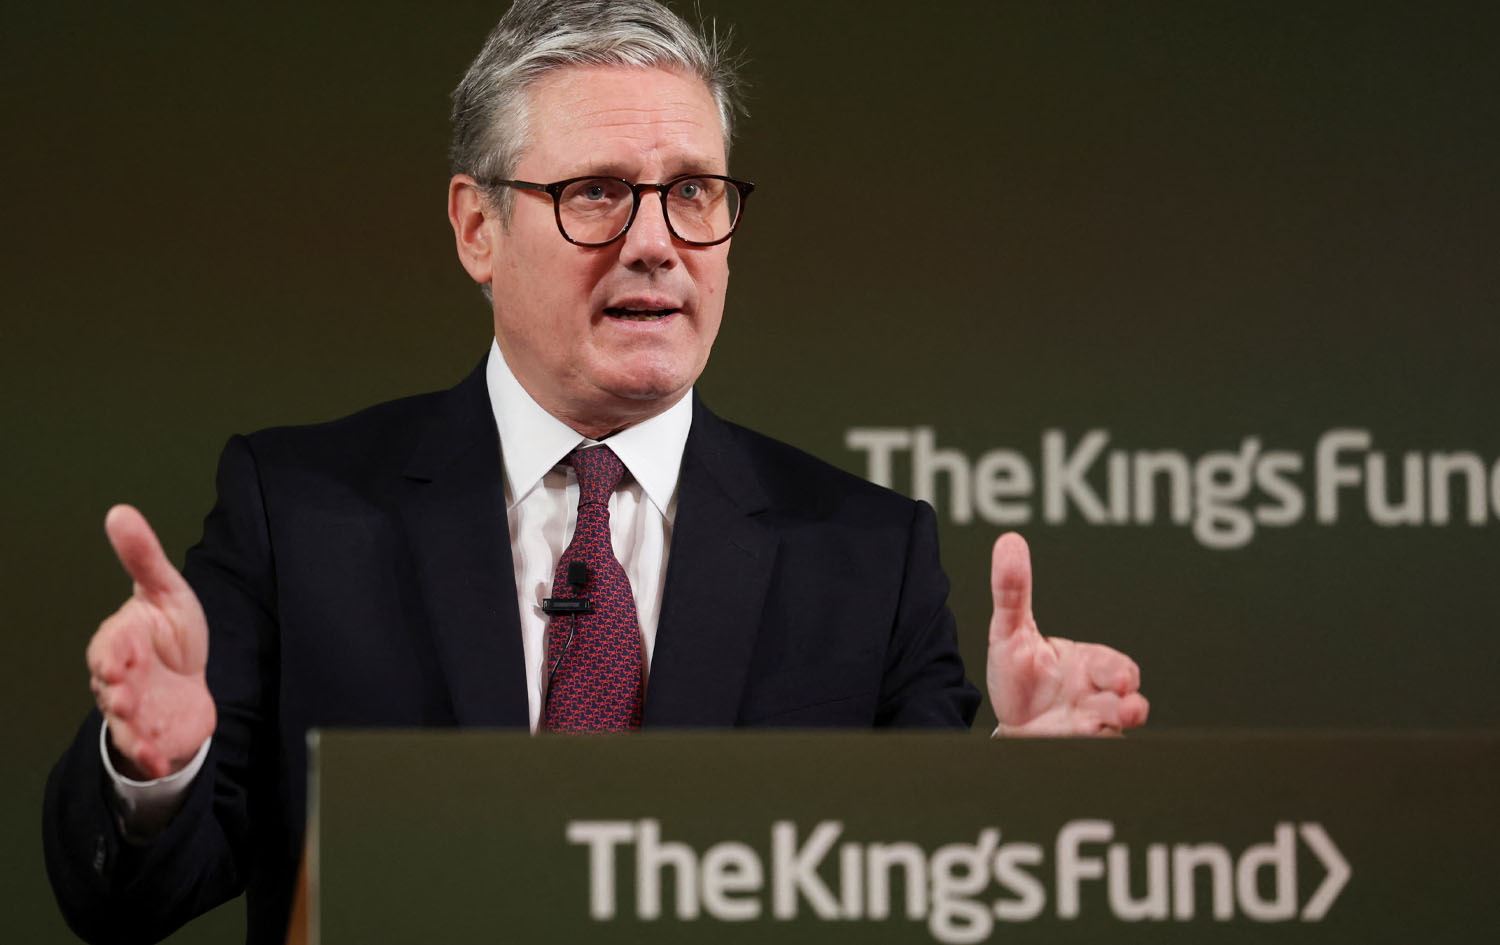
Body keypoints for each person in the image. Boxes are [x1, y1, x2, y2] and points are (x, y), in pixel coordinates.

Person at [43, 1, 1148, 943]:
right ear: (477, 228)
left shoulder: (868, 556)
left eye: (694, 192)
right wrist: (154, 773)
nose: (657, 242)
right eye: (598, 192)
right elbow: (128, 900)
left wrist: (1013, 802)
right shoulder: (300, 513)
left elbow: (915, 894)